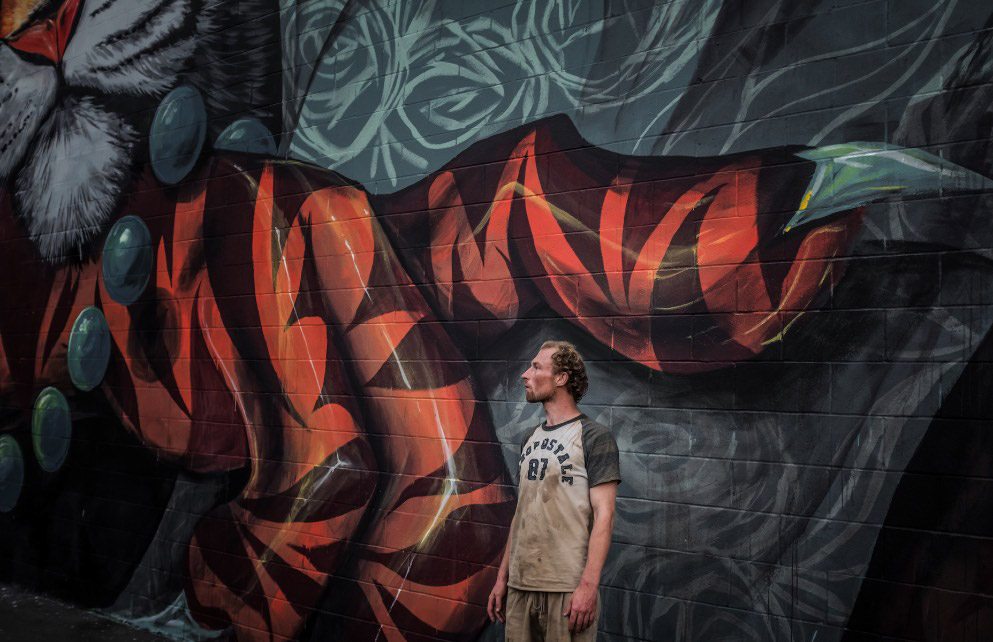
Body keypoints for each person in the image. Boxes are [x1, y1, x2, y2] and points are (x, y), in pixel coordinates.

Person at [488, 340, 622, 640]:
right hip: (520, 586)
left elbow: (605, 515)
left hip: (567, 588)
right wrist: (502, 578)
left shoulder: (594, 437)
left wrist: (588, 586)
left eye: (536, 367)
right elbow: (522, 512)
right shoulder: (529, 438)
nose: (525, 374)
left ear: (561, 378)